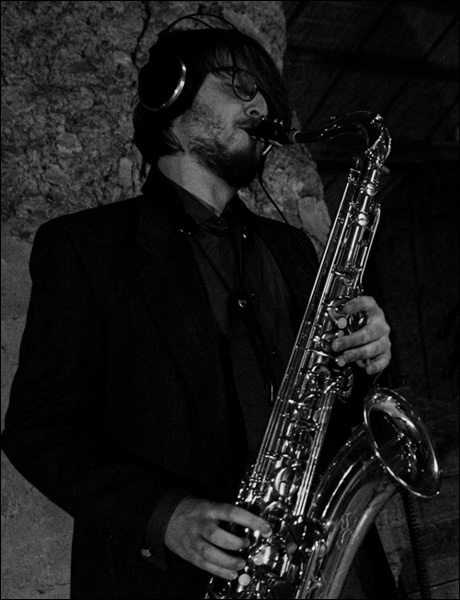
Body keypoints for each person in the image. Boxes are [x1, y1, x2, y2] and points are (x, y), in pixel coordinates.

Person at [2, 16, 395, 600]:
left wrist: (368, 356)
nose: (262, 105)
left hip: (325, 570)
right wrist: (166, 515)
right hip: (176, 584)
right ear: (170, 95)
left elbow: (328, 402)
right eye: (240, 85)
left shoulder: (292, 248)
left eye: (266, 93)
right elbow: (38, 430)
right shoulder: (85, 248)